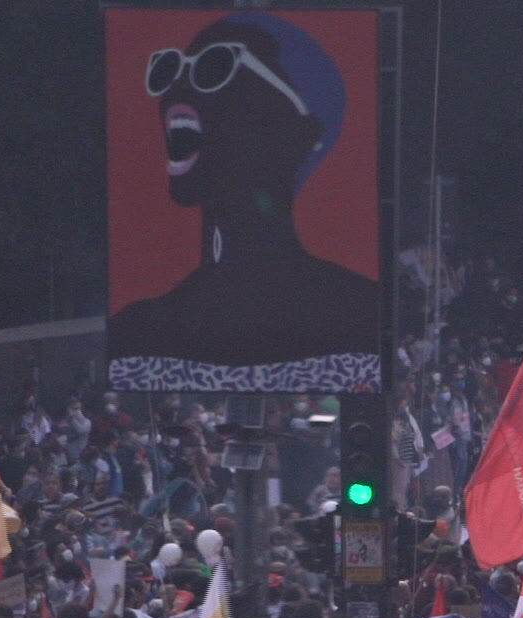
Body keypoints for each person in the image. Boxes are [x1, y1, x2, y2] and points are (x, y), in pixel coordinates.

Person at [108, 12, 381, 388]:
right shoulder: (139, 330)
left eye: (214, 68)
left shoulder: (357, 313)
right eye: (170, 70)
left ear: (299, 134)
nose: (180, 89)